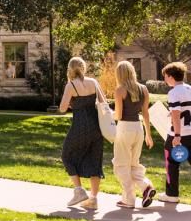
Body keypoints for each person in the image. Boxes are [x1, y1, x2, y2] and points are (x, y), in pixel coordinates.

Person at [58, 56, 105, 209]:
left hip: (80, 126)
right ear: (83, 68)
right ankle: (93, 199)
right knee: (94, 160)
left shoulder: (71, 85)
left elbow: (62, 108)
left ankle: (79, 190)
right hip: (96, 128)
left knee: (66, 155)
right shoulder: (93, 82)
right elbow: (104, 103)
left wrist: (75, 104)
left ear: (70, 70)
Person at [112, 59, 155, 208]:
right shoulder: (143, 89)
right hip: (139, 129)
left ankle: (129, 199)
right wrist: (149, 135)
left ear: (119, 74)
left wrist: (107, 114)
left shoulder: (120, 90)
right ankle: (145, 187)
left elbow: (118, 116)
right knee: (133, 164)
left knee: (120, 165)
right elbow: (146, 113)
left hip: (124, 128)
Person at [160, 61, 191, 203]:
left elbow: (177, 116)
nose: (165, 79)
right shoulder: (189, 89)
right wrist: (171, 113)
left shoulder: (173, 92)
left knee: (171, 162)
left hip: (177, 134)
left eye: (165, 76)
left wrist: (177, 136)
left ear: (171, 76)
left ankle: (171, 195)